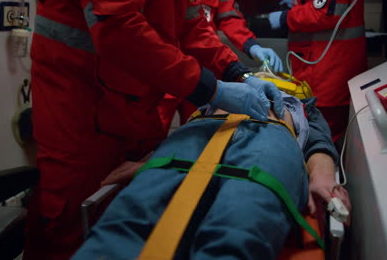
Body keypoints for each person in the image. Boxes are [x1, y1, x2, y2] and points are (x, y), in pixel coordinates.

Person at [24, 0, 285, 259]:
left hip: (137, 107)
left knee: (137, 212)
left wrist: (237, 72)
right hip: (79, 112)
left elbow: (191, 25)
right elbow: (117, 27)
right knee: (71, 230)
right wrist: (213, 89)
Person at [71, 92, 351, 260]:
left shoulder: (302, 104)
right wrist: (149, 162)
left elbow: (319, 142)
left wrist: (323, 172)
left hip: (272, 135)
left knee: (240, 223)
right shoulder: (220, 92)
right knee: (132, 217)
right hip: (202, 129)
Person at [158, 0, 286, 133]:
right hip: (157, 70)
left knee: (197, 132)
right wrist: (217, 90)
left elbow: (195, 29)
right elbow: (137, 35)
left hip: (202, 71)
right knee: (149, 132)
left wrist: (241, 72)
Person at [268, 0, 367, 142]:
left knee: (321, 138)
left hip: (329, 70)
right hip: (322, 67)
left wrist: (286, 17)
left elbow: (327, 12)